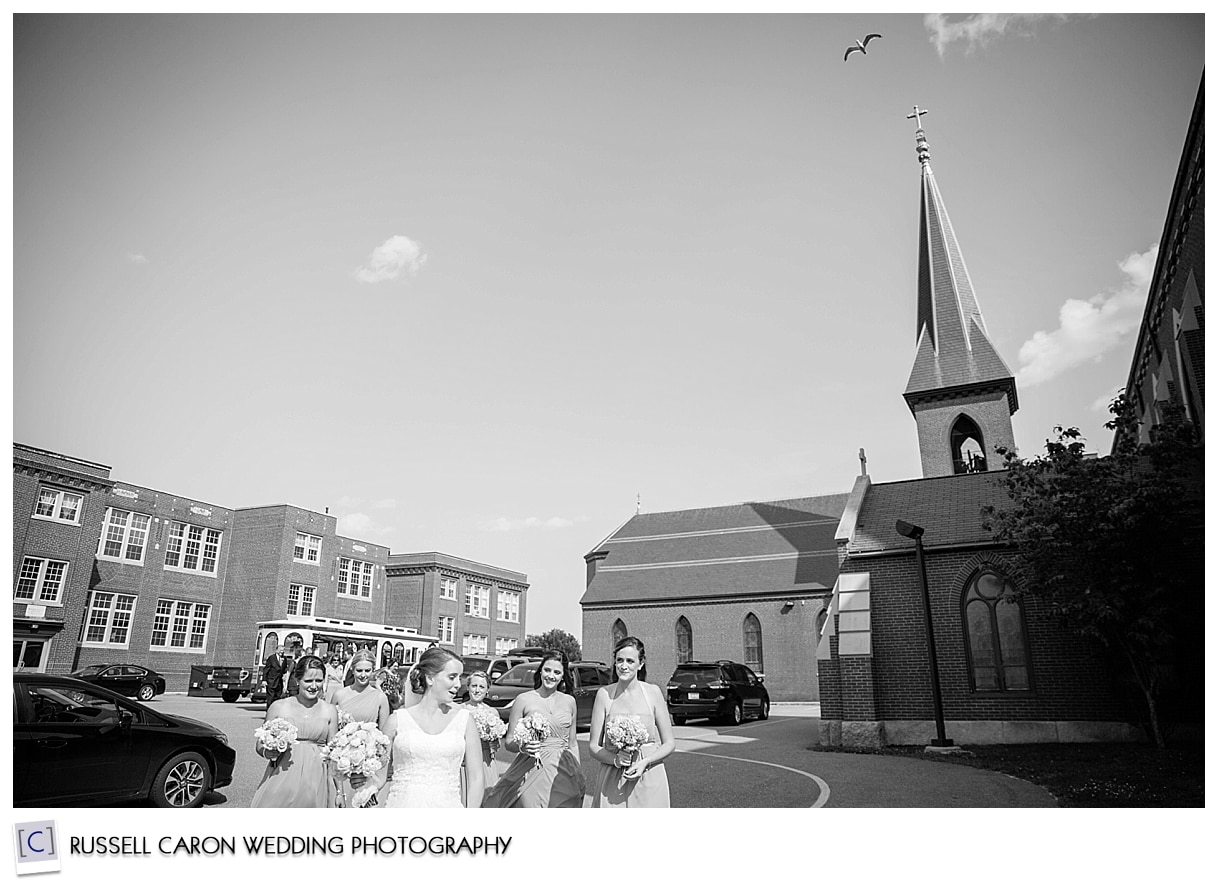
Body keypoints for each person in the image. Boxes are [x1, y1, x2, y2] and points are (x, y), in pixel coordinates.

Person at [383, 647, 484, 808]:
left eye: (460, 678)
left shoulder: (465, 721)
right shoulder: (396, 721)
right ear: (430, 678)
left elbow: (476, 777)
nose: (458, 684)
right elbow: (379, 774)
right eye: (452, 677)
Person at [482, 651, 585, 808]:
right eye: (547, 670)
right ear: (540, 671)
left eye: (557, 672)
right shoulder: (524, 699)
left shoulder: (570, 701)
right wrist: (523, 747)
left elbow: (573, 743)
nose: (551, 676)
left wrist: (578, 774)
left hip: (564, 772)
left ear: (563, 675)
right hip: (531, 768)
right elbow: (509, 742)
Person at [588, 636, 673, 808]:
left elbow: (669, 743)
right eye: (619, 660)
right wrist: (615, 759)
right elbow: (593, 747)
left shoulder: (653, 692)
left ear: (640, 664)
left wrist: (646, 761)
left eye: (630, 661)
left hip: (649, 775)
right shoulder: (604, 695)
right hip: (613, 778)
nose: (623, 666)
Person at [250, 655, 338, 808]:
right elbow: (259, 744)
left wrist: (338, 793)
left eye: (318, 680)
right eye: (308, 681)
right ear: (297, 680)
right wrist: (267, 751)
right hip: (282, 776)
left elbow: (334, 757)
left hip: (315, 780)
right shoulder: (279, 707)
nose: (314, 686)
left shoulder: (330, 710)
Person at [331, 649, 392, 808]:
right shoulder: (340, 695)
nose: (363, 675)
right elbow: (330, 730)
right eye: (359, 670)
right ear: (352, 669)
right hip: (342, 760)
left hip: (367, 764)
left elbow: (385, 738)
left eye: (367, 670)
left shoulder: (380, 698)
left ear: (373, 671)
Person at [462, 671, 502, 795]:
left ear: (487, 690)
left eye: (481, 687)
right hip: (464, 761)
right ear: (468, 687)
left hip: (485, 761)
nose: (477, 690)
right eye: (474, 686)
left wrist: (493, 740)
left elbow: (497, 745)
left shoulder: (492, 712)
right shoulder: (460, 710)